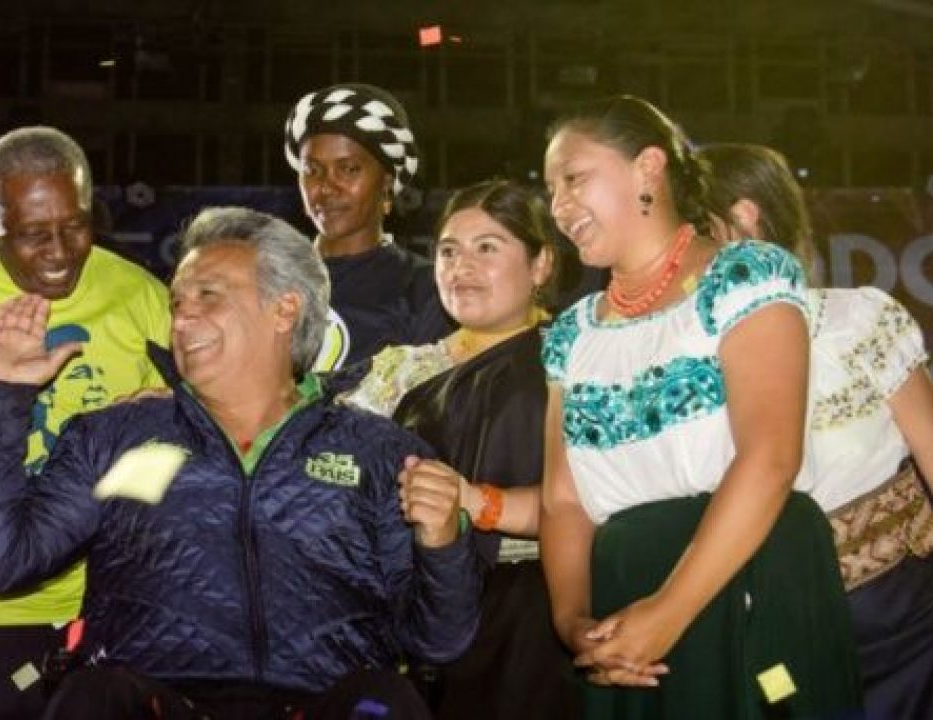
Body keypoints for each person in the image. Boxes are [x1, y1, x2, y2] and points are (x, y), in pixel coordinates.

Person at [0, 206, 480, 720]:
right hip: (158, 703)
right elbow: (0, 563)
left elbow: (440, 641)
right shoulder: (115, 437)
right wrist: (4, 393)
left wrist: (442, 545)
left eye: (208, 295)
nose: (182, 317)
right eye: (177, 302)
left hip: (322, 703)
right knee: (95, 696)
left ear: (284, 310)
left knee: (385, 699)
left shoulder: (379, 453)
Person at [539, 95, 861, 719]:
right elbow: (562, 500)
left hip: (748, 580)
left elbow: (770, 457)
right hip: (622, 605)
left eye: (574, 178)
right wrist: (574, 622)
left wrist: (668, 613)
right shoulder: (572, 333)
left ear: (648, 167)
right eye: (551, 189)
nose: (558, 206)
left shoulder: (745, 276)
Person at [0, 125, 171, 720]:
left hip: (107, 609)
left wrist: (137, 450)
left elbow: (183, 451)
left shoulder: (140, 294)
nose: (60, 253)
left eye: (76, 226)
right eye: (34, 234)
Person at [702, 142, 933, 720]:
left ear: (743, 219)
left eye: (688, 228)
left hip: (904, 622)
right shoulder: (678, 353)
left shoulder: (855, 320)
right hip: (769, 627)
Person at [339, 179, 581, 719]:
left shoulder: (582, 362)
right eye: (448, 251)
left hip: (533, 629)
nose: (460, 266)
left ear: (541, 264)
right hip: (412, 619)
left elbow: (606, 495)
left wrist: (475, 504)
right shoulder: (399, 372)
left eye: (486, 248)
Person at [283, 83, 451, 371]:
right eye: (312, 170)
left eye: (348, 169)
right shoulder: (267, 274)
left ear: (386, 183)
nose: (326, 188)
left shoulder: (425, 289)